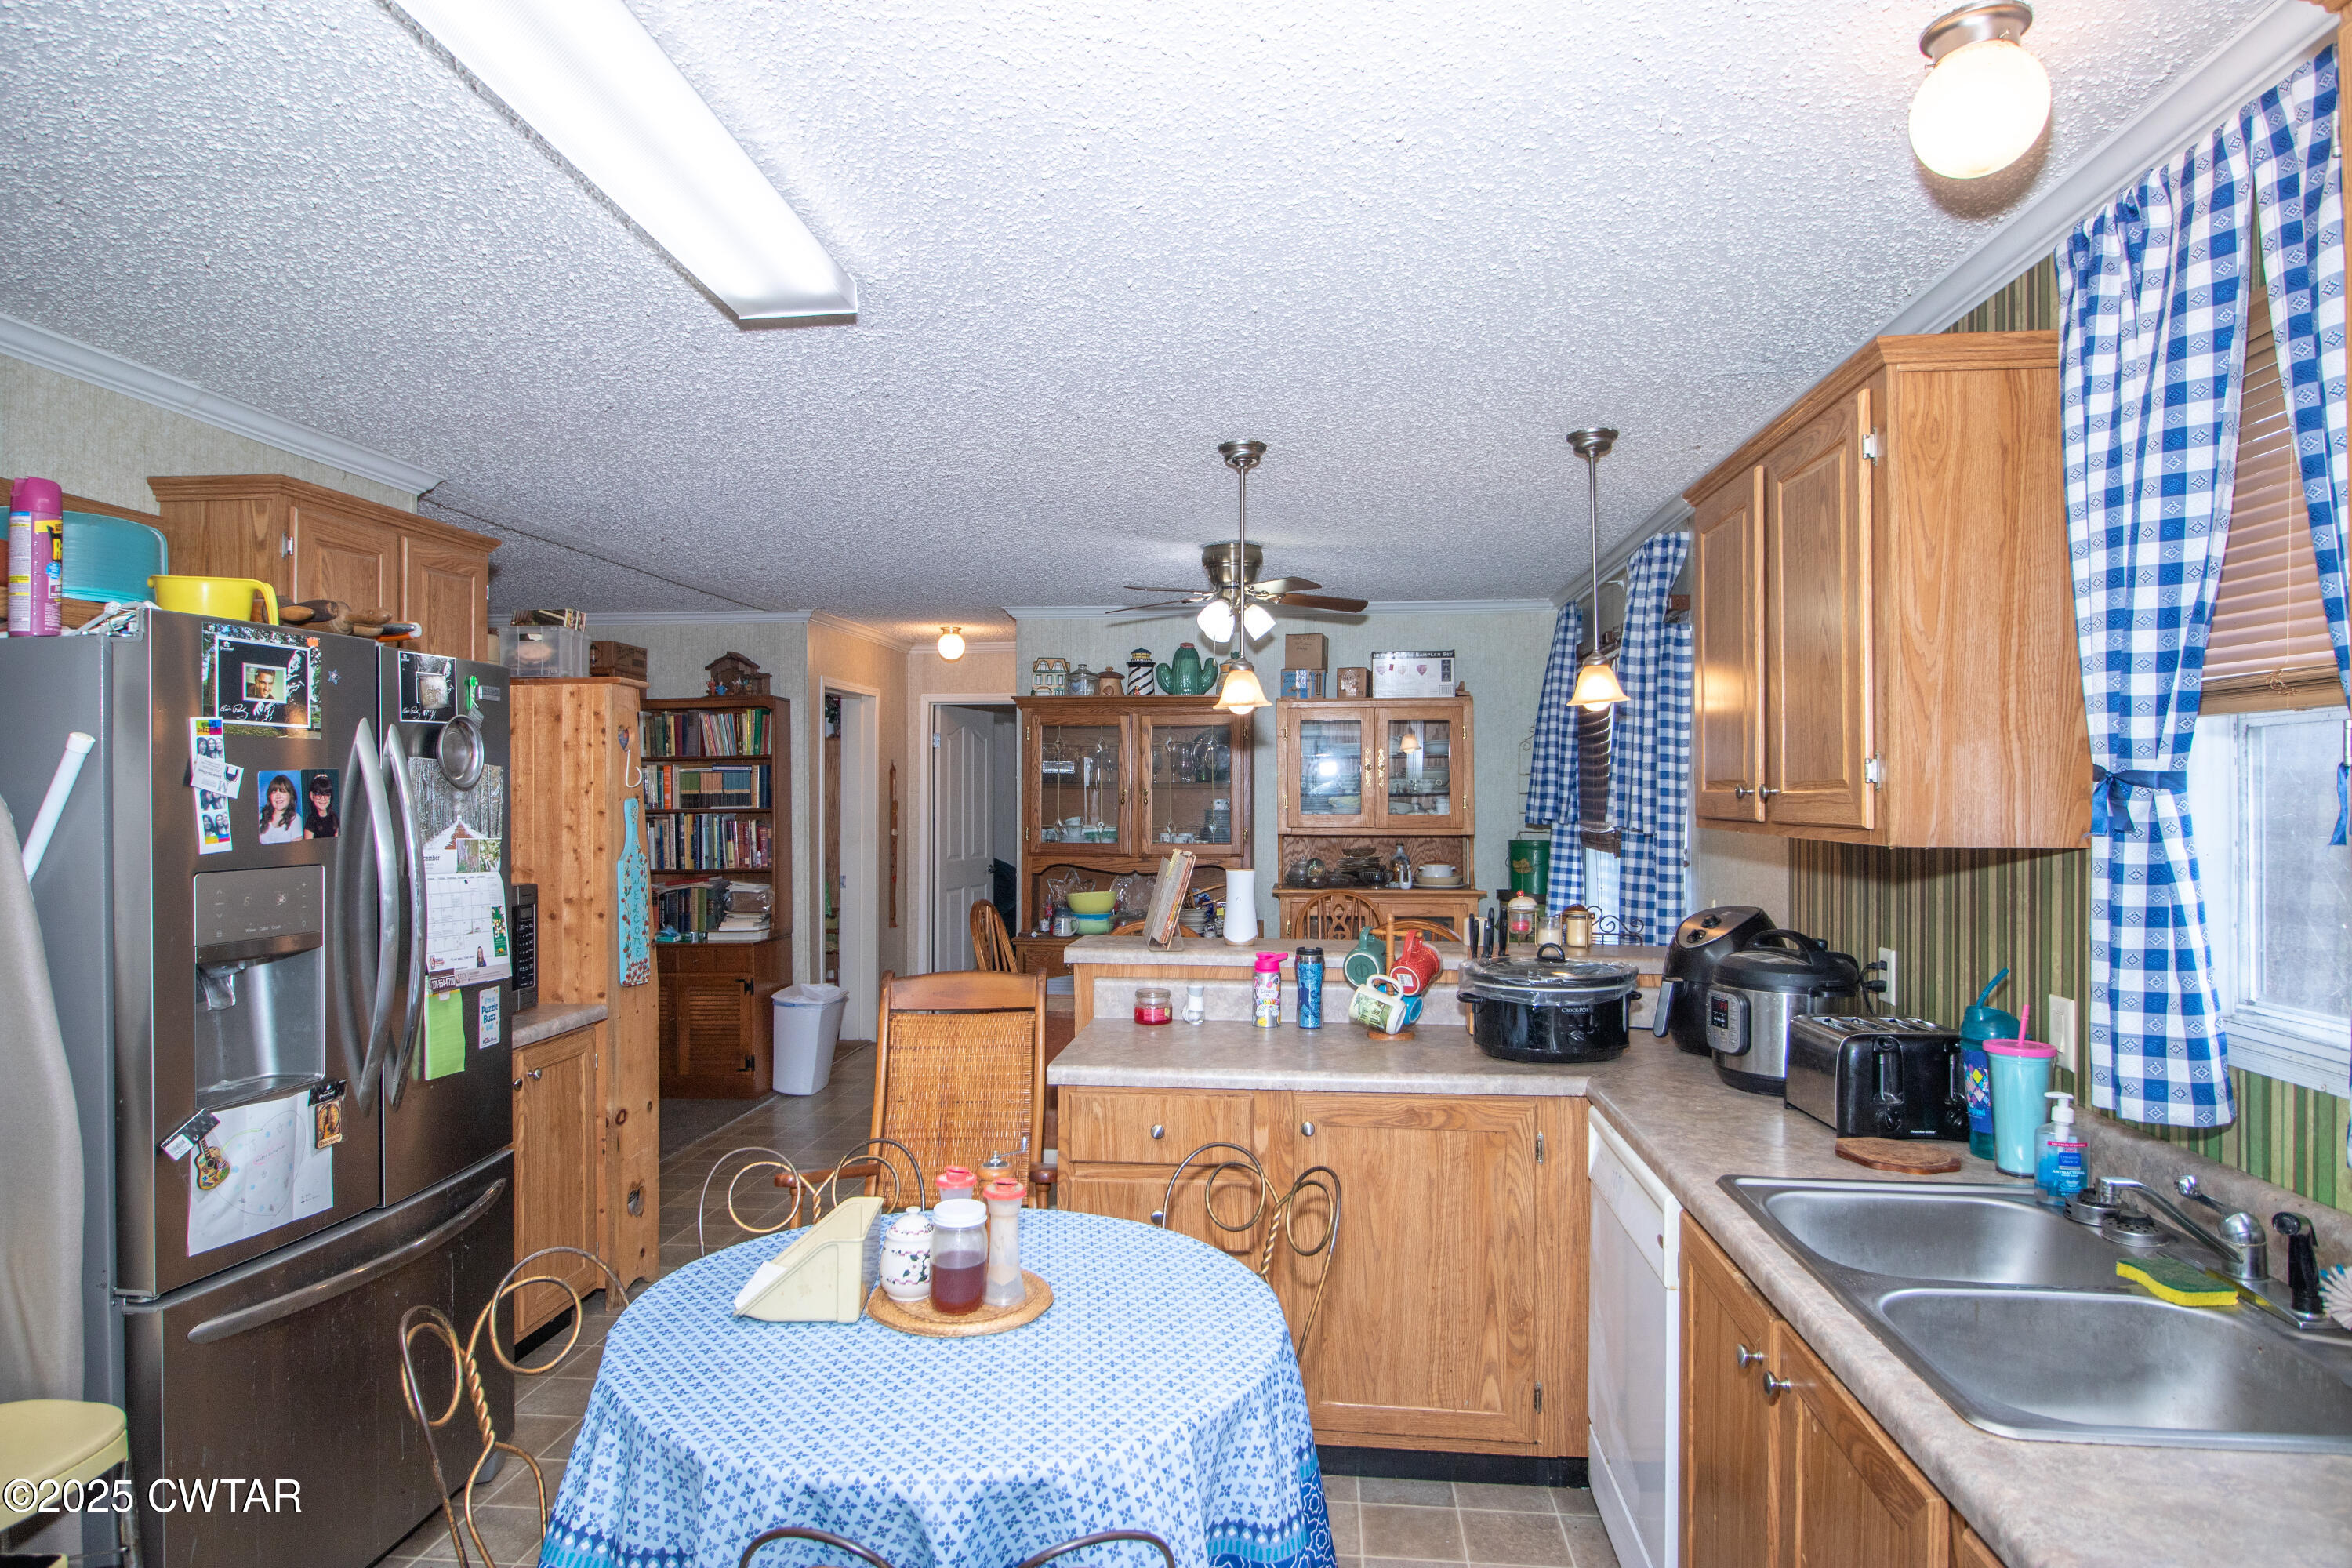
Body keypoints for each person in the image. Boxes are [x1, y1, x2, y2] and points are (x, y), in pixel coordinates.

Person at [258, 775, 303, 844]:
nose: (278, 796)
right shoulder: (260, 817)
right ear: (269, 796)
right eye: (274, 792)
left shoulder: (296, 820)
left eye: (283, 791)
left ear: (291, 796)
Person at [303, 771, 339, 839]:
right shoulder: (311, 822)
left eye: (327, 794)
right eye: (318, 794)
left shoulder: (334, 817)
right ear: (311, 796)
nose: (323, 799)